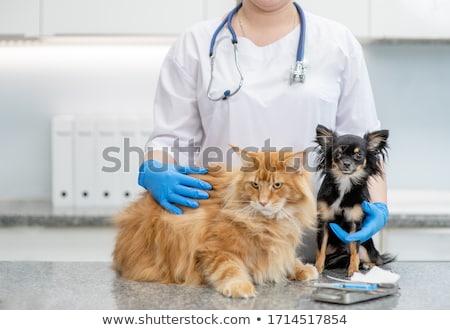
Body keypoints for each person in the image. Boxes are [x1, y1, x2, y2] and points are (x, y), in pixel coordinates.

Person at [138, 0, 388, 262]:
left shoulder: (338, 43)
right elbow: (169, 142)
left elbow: (364, 146)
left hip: (318, 248)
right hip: (225, 245)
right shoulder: (194, 44)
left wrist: (378, 206)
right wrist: (156, 170)